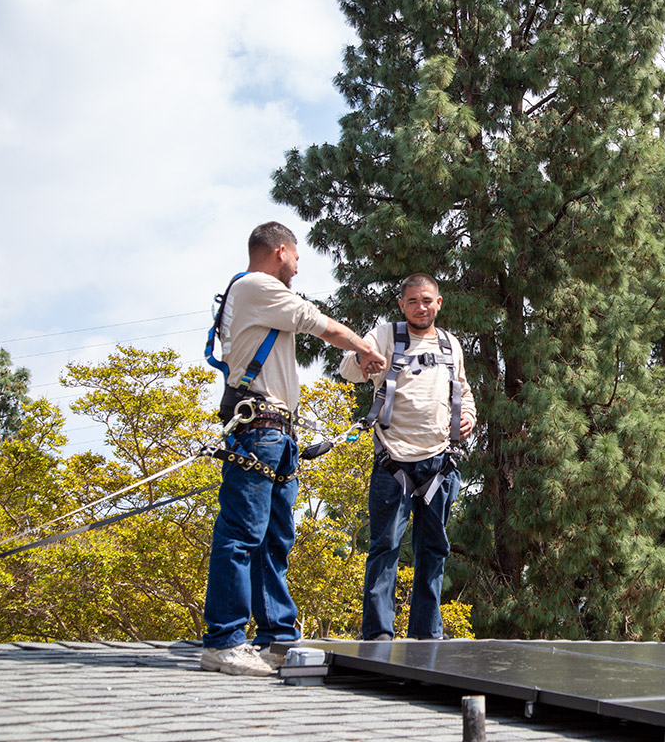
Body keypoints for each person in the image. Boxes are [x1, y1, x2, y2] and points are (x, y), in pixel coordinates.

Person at [201, 221, 386, 676]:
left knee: (275, 537)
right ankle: (224, 640)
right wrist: (365, 348)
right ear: (281, 251)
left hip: (277, 430)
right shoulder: (256, 286)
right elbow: (316, 323)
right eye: (298, 258)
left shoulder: (253, 295)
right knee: (243, 533)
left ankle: (277, 637)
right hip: (258, 425)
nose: (298, 268)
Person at [339, 273, 476, 641]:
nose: (421, 307)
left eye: (427, 300)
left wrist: (469, 417)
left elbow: (463, 389)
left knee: (433, 550)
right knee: (384, 547)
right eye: (413, 301)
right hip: (394, 461)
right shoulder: (386, 335)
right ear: (402, 305)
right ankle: (378, 635)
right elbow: (348, 369)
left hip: (439, 464)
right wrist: (363, 358)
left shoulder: (450, 345)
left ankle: (426, 636)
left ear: (439, 303)